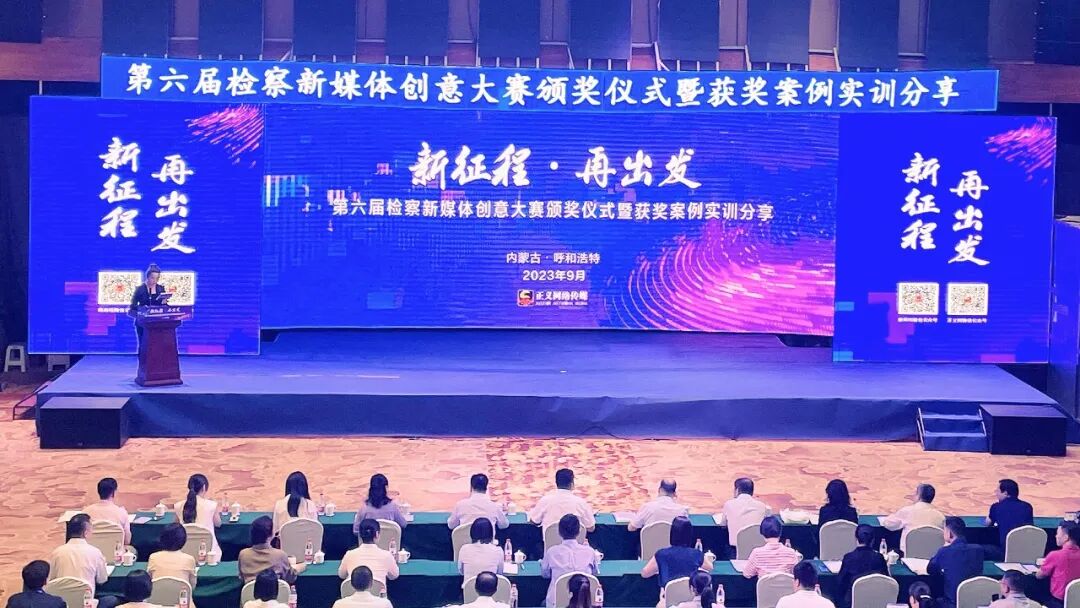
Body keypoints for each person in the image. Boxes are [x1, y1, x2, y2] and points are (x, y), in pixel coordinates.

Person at [540, 515, 598, 608]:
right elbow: (594, 573)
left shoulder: (551, 552)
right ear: (579, 531)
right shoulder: (590, 551)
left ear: (559, 532)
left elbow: (545, 574)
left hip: (556, 603)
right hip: (586, 602)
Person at [641, 516, 715, 588]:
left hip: (667, 595)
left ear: (672, 533)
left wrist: (660, 568)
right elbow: (710, 567)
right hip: (690, 594)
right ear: (690, 534)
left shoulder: (661, 554)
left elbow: (645, 573)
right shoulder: (697, 554)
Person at [928, 517, 984, 608]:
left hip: (951, 604)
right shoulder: (978, 550)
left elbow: (930, 569)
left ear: (950, 533)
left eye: (944, 530)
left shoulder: (944, 551)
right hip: (974, 603)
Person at [48, 514, 108, 592]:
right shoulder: (95, 552)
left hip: (61, 597)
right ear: (85, 533)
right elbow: (102, 579)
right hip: (86, 598)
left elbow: (51, 580)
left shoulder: (57, 552)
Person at [882, 484, 945, 555]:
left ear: (918, 496)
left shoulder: (907, 511)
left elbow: (889, 524)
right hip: (933, 558)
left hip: (909, 557)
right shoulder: (941, 516)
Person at [239, 516, 303, 584]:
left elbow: (241, 577)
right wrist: (301, 567)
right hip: (277, 591)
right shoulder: (280, 555)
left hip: (250, 591)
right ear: (271, 534)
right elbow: (290, 578)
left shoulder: (243, 554)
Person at [836, 524, 888, 608]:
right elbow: (886, 580)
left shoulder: (849, 558)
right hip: (877, 601)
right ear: (873, 540)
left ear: (856, 539)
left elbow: (840, 582)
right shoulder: (879, 558)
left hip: (852, 601)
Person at [529, 469, 596, 532]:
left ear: (556, 483)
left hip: (550, 540)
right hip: (575, 540)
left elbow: (534, 521)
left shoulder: (545, 501)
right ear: (572, 484)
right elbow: (591, 528)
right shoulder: (581, 503)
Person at [174, 474, 221, 558]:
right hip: (210, 553)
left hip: (184, 552)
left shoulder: (178, 505)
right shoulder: (212, 505)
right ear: (204, 487)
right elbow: (218, 524)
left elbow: (176, 525)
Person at [340, 519, 399, 585]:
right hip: (378, 592)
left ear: (360, 535)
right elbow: (394, 576)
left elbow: (342, 575)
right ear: (377, 534)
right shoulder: (387, 555)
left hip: (353, 591)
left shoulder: (349, 554)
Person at [1036, 521, 1080, 608]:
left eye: (1057, 533)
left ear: (1066, 537)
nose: (1055, 536)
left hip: (1058, 602)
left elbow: (1039, 576)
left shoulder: (1055, 555)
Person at [720, 478, 771, 550]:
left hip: (735, 549)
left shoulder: (729, 504)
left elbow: (723, 524)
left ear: (737, 490)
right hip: (757, 549)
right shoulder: (762, 506)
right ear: (752, 492)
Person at [986, 480, 1034, 550]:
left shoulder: (996, 507)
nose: (995, 492)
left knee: (976, 548)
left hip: (1006, 551)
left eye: (997, 491)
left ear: (1005, 493)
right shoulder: (1027, 506)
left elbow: (988, 523)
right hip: (1027, 550)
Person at [147, 523, 198, 589]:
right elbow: (192, 586)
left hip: (156, 595)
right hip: (182, 595)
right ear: (183, 540)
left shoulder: (153, 557)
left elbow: (149, 581)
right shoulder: (189, 559)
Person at [83, 478, 132, 545]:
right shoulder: (122, 513)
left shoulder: (86, 512)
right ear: (113, 493)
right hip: (115, 551)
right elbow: (127, 541)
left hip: (92, 551)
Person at [128, 264, 168, 346]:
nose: (155, 281)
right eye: (153, 278)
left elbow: (164, 307)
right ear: (148, 277)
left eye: (157, 278)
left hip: (157, 322)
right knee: (143, 344)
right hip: (143, 322)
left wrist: (164, 303)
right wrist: (143, 309)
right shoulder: (140, 289)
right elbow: (133, 306)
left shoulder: (160, 288)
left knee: (156, 345)